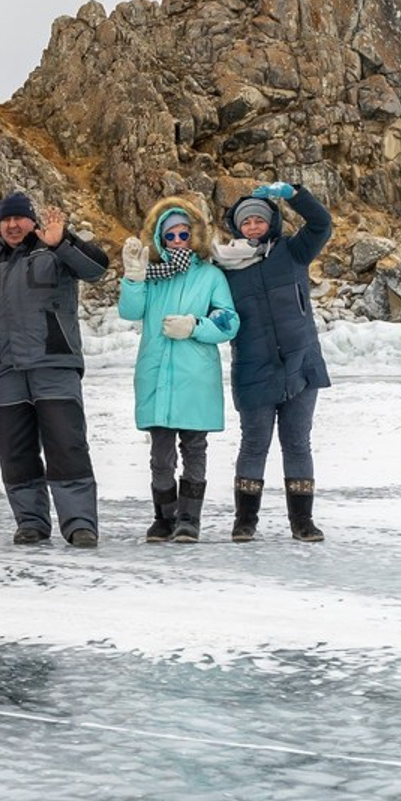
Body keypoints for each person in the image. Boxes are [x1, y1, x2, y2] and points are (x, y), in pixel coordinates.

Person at [0, 191, 109, 547]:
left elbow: (97, 269)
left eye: (20, 218)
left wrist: (63, 243)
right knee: (15, 451)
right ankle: (30, 521)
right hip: (7, 372)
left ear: (32, 221)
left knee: (67, 446)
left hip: (54, 363)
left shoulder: (54, 252)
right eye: (6, 219)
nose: (13, 225)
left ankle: (79, 524)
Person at [213, 181, 332, 543]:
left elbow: (321, 224)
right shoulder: (225, 267)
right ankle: (245, 521)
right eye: (245, 222)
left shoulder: (292, 252)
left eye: (258, 221)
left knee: (297, 444)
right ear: (236, 226)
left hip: (301, 363)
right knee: (254, 444)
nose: (252, 227)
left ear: (270, 223)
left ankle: (303, 522)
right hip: (253, 367)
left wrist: (295, 194)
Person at [118, 199, 239, 543]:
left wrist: (195, 326)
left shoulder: (211, 275)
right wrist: (133, 278)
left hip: (195, 376)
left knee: (194, 448)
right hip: (156, 373)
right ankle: (164, 517)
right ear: (159, 238)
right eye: (169, 234)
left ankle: (189, 518)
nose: (177, 239)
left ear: (194, 235)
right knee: (160, 455)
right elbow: (130, 311)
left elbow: (229, 320)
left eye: (183, 233)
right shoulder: (152, 277)